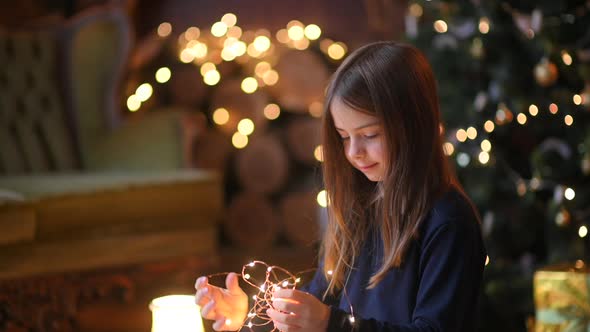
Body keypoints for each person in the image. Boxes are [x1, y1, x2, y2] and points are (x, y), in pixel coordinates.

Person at [195, 41, 486, 332]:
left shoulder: (449, 223)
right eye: (344, 136)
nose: (353, 152)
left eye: (369, 135)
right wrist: (251, 315)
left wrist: (330, 324)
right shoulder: (359, 207)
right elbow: (320, 299)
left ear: (413, 127)